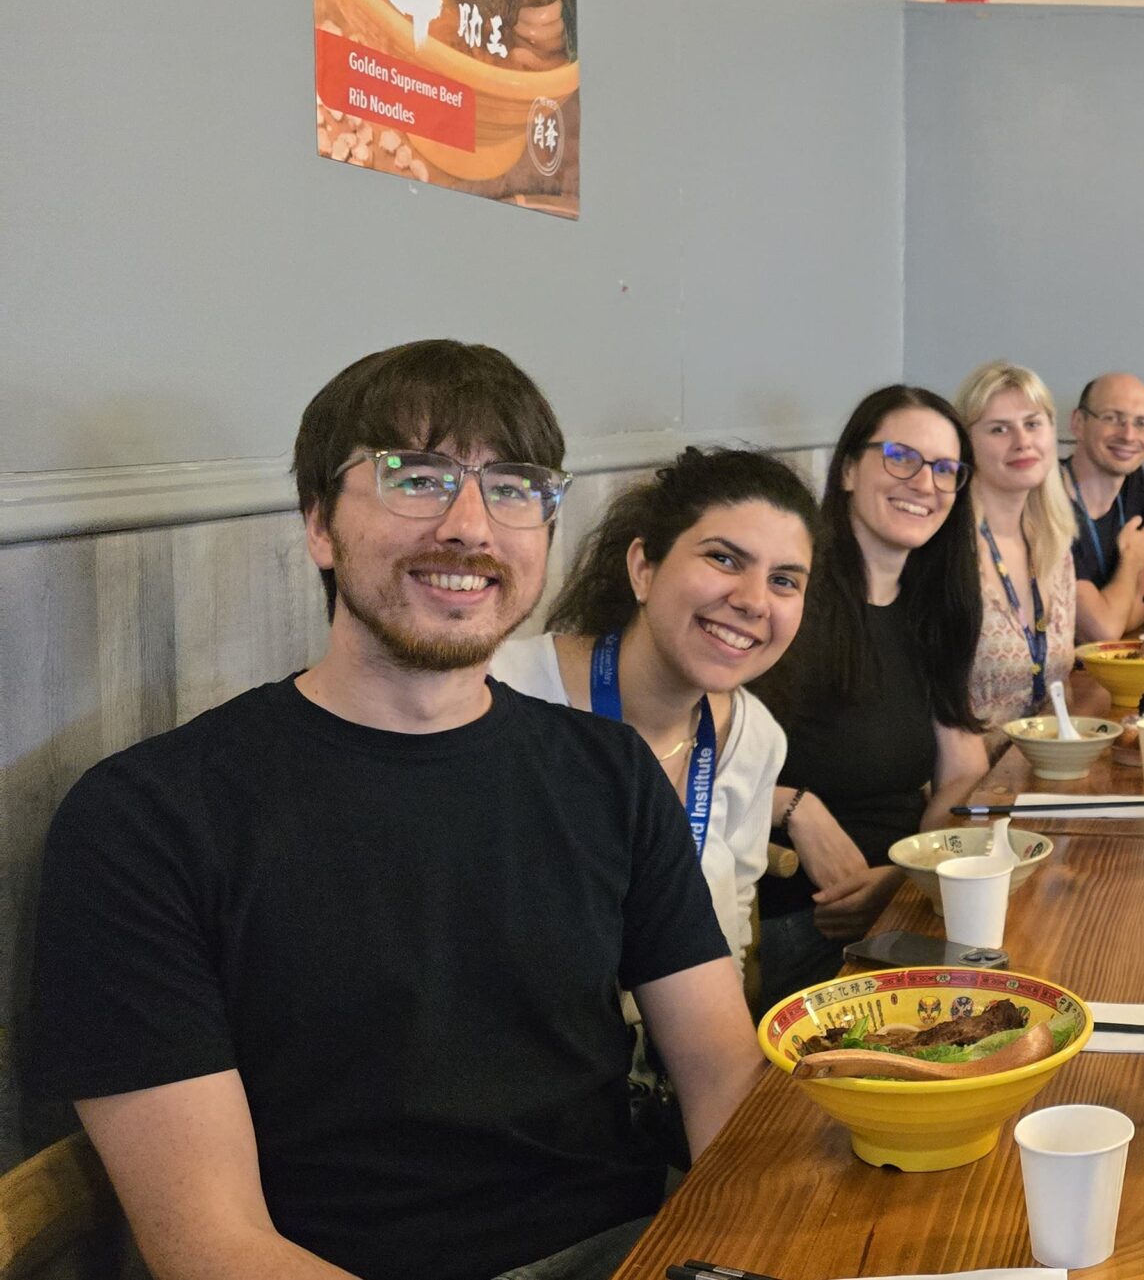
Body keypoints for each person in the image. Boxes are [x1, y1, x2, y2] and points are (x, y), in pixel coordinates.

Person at [27, 340, 763, 1280]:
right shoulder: (147, 820)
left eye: (513, 486)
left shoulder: (608, 771)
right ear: (319, 525)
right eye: (414, 477)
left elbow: (723, 1084)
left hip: (623, 1251)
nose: (469, 525)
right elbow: (212, 1248)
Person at [490, 445, 880, 972]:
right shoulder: (500, 691)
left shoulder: (753, 739)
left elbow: (732, 936)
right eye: (723, 559)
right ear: (643, 570)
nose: (754, 600)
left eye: (784, 581)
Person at [751, 385, 990, 1013]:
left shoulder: (931, 605)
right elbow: (685, 757)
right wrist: (796, 808)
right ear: (850, 468)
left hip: (901, 910)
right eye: (900, 456)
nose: (926, 483)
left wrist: (911, 871)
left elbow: (964, 768)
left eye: (946, 470)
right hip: (785, 921)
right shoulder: (786, 596)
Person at [956, 361, 1080, 727]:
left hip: (1044, 764)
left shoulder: (1055, 546)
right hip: (969, 774)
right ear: (966, 444)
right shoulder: (952, 548)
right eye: (999, 429)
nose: (1022, 441)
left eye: (1032, 423)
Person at [1066, 371, 1144, 642]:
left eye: (1142, 423)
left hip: (1101, 668)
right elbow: (1101, 632)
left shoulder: (1132, 480)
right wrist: (1130, 562)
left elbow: (1143, 605)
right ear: (1078, 423)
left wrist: (1111, 612)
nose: (1129, 435)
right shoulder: (1047, 502)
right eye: (1112, 418)